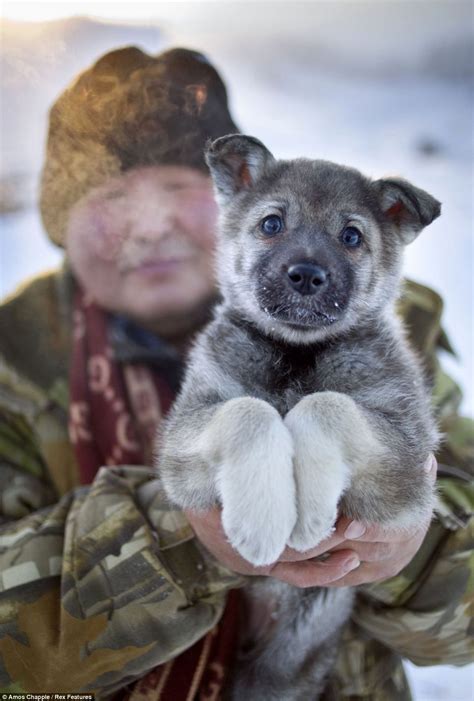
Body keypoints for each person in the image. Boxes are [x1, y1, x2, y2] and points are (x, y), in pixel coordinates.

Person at [0, 46, 471, 700]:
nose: (151, 224)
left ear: (226, 194)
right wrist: (182, 538)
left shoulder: (400, 332)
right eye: (111, 194)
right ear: (62, 223)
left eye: (175, 188)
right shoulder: (11, 363)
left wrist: (408, 546)